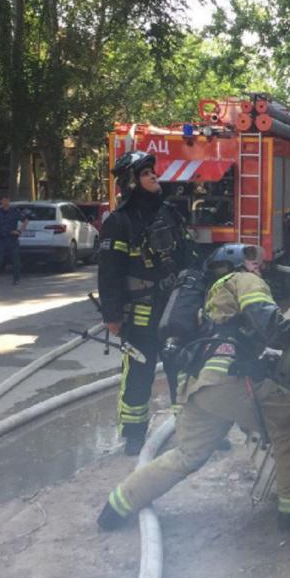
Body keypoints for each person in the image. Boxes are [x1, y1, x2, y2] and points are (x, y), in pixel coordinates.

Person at [97, 243, 290, 532]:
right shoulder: (243, 281)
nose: (260, 266)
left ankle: (117, 505)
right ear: (239, 262)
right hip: (228, 382)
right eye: (255, 261)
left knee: (187, 455)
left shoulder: (208, 296)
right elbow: (272, 328)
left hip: (198, 388)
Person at [98, 151, 194, 455]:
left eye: (154, 171)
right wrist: (112, 315)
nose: (154, 176)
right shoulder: (119, 222)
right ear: (131, 182)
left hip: (175, 308)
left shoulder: (169, 213)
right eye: (145, 173)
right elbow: (109, 272)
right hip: (140, 312)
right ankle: (135, 435)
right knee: (140, 372)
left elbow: (187, 257)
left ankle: (193, 431)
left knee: (184, 369)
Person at [0, 195, 29, 286]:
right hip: (1, 238)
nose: (5, 202)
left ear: (9, 201)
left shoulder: (14, 211)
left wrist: (19, 231)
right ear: (1, 201)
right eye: (3, 200)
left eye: (7, 200)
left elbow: (25, 220)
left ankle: (16, 279)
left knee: (15, 260)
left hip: (12, 238)